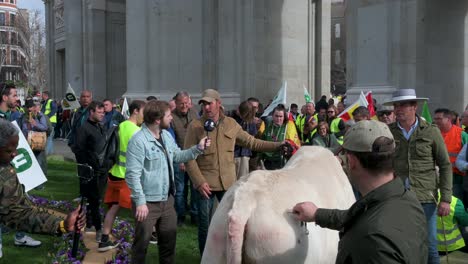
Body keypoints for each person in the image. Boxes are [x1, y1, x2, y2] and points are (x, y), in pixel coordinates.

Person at [293, 120, 428, 263]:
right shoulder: (407, 199)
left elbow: (368, 222)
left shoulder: (371, 239)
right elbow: (358, 216)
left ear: (351, 162)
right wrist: (316, 214)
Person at [184, 89, 289, 255]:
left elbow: (253, 143)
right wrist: (198, 182)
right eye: (203, 104)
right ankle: (207, 258)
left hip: (227, 185)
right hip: (205, 186)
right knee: (206, 225)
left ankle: (228, 256)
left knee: (231, 223)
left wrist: (278, 145)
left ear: (218, 103)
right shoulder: (195, 126)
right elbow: (188, 157)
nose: (206, 108)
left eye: (209, 103)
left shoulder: (231, 124)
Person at [125, 100, 210, 264]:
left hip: (167, 201)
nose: (172, 118)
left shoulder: (165, 135)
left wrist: (198, 149)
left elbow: (177, 156)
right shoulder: (138, 141)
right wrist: (140, 202)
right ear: (158, 119)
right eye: (169, 115)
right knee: (140, 247)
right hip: (147, 204)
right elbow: (132, 175)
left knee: (168, 247)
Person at [384, 89, 452, 264]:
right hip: (397, 197)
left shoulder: (430, 132)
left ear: (414, 107)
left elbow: (445, 165)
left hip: (425, 198)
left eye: (403, 105)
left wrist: (445, 199)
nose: (398, 109)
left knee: (429, 247)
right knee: (399, 245)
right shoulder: (388, 132)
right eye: (396, 106)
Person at [0, 119, 85, 257]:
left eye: (15, 148)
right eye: (9, 150)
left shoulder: (5, 173)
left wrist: (61, 225)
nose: (15, 154)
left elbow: (18, 213)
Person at [98, 100, 146, 252]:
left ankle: (104, 240)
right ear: (136, 111)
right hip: (128, 177)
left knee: (113, 208)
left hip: (114, 174)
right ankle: (144, 239)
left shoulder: (120, 126)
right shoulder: (137, 132)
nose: (145, 117)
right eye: (144, 112)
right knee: (139, 209)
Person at [74, 101, 107, 242]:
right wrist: (86, 168)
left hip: (101, 170)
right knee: (94, 201)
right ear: (91, 112)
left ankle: (89, 224)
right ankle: (98, 230)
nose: (102, 115)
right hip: (90, 171)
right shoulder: (84, 129)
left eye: (103, 113)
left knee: (96, 199)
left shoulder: (100, 127)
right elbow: (78, 150)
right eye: (99, 112)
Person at [171, 91, 199, 226]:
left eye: (186, 103)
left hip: (194, 157)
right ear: (176, 103)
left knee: (195, 188)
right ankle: (180, 216)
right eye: (181, 103)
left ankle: (195, 215)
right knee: (180, 190)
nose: (184, 106)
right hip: (179, 158)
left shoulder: (194, 113)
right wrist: (181, 159)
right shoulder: (170, 117)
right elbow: (172, 140)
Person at [434, 108, 468, 200]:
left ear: (448, 119)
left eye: (439, 119)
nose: (436, 121)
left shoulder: (461, 135)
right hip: (436, 177)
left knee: (455, 205)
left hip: (456, 179)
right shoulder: (432, 133)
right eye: (435, 119)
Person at [260, 104, 300, 170]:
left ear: (284, 117)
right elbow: (261, 144)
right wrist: (259, 159)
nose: (278, 119)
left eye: (281, 116)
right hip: (267, 162)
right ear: (272, 116)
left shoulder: (288, 128)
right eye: (276, 116)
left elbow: (295, 146)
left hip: (281, 162)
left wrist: (289, 149)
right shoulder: (268, 128)